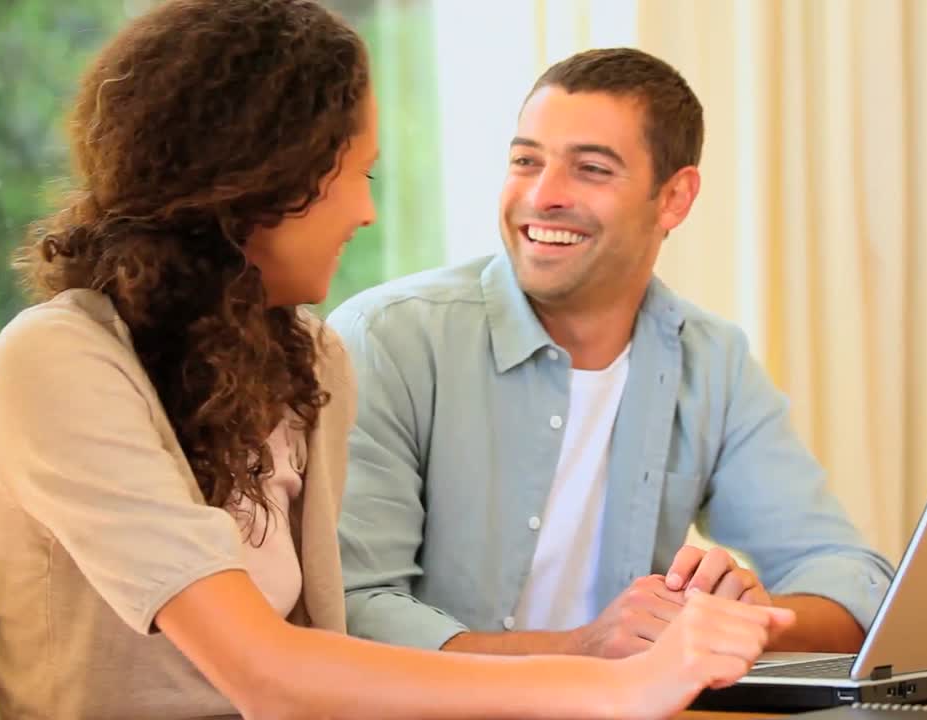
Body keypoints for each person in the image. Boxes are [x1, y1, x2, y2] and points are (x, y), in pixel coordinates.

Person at [0, 3, 792, 719]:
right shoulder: (61, 357)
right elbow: (270, 677)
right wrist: (611, 684)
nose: (366, 211)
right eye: (356, 176)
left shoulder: (311, 358)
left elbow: (324, 653)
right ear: (265, 179)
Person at [329, 47, 895, 659]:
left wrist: (738, 619)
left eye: (591, 169)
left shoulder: (712, 362)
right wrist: (580, 651)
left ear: (675, 198)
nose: (543, 195)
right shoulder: (387, 339)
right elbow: (353, 609)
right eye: (526, 161)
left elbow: (852, 581)